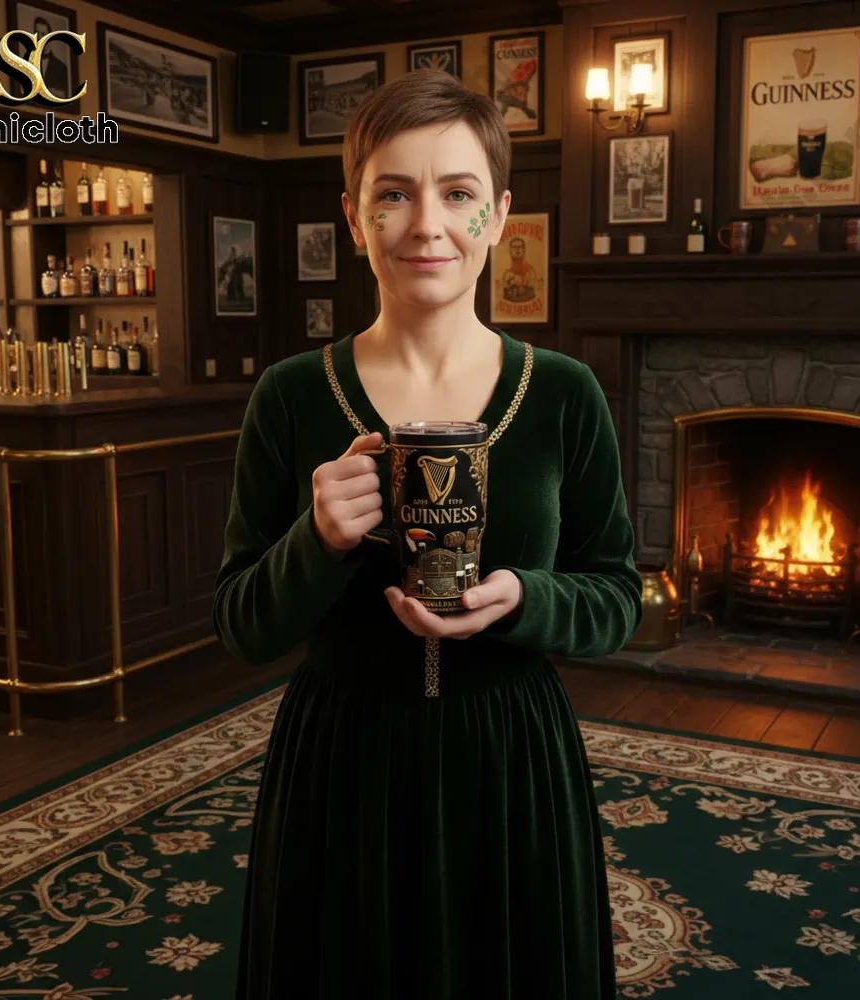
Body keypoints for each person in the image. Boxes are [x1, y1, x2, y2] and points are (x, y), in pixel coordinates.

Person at [213, 70, 643, 999]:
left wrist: (528, 597)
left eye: (457, 193)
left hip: (512, 760)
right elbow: (243, 625)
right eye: (394, 194)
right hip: (344, 764)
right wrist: (314, 541)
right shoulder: (290, 396)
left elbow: (616, 598)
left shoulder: (564, 392)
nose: (427, 224)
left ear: (498, 215)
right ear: (355, 215)